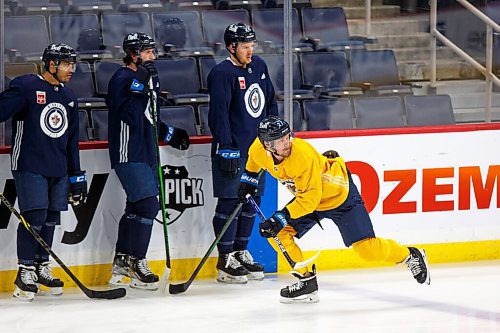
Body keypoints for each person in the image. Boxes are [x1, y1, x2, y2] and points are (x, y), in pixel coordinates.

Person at [238, 116, 431, 303]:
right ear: (267, 145)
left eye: (287, 136)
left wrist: (281, 217)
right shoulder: (257, 148)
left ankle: (410, 255)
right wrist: (249, 180)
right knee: (277, 233)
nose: (287, 142)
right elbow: (254, 162)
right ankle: (307, 282)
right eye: (280, 140)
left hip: (339, 195)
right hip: (310, 197)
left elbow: (309, 202)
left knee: (368, 250)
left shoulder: (303, 155)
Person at [0, 43, 87, 301]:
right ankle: (24, 270)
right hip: (30, 164)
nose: (72, 69)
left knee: (50, 218)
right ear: (51, 64)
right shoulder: (26, 86)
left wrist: (76, 176)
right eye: (67, 64)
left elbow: (72, 142)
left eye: (73, 64)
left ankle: (41, 265)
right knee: (34, 216)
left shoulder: (69, 97)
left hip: (58, 167)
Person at [106, 32, 190, 291]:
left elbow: (148, 117)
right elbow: (127, 115)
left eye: (153, 51)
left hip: (147, 151)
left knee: (136, 207)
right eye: (148, 51)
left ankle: (122, 263)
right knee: (147, 205)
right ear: (134, 55)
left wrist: (168, 133)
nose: (153, 56)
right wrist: (140, 84)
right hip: (127, 151)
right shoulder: (121, 78)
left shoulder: (150, 78)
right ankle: (137, 261)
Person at [207, 23, 278, 284]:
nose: (251, 51)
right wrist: (226, 146)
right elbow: (219, 114)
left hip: (258, 152)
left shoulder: (259, 66)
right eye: (245, 47)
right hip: (233, 151)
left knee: (251, 201)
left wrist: (274, 136)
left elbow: (270, 101)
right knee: (229, 202)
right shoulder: (221, 73)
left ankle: (240, 251)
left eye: (252, 46)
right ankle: (225, 258)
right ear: (231, 47)